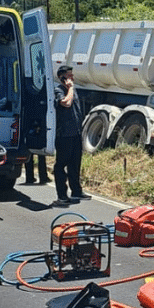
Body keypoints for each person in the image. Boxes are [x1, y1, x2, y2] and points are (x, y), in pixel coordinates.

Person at [52, 65, 88, 207]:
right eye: (70, 76)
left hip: (75, 133)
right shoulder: (59, 90)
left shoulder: (72, 91)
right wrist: (70, 88)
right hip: (64, 134)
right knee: (61, 165)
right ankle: (62, 195)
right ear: (63, 77)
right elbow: (66, 103)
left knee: (75, 164)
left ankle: (76, 191)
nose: (72, 78)